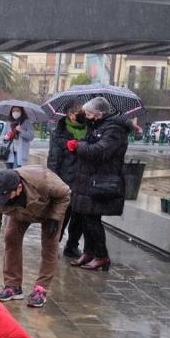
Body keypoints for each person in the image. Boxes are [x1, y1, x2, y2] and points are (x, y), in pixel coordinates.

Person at [0, 167, 71, 307]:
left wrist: (55, 218)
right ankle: (13, 286)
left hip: (50, 210)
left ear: (19, 188)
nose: (2, 201)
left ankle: (41, 288)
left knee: (50, 245)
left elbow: (65, 194)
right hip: (20, 212)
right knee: (10, 237)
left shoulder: (44, 181)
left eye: (6, 197)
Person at [62, 96, 129, 271]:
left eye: (90, 113)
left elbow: (101, 150)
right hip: (89, 179)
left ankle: (102, 256)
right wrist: (79, 143)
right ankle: (89, 252)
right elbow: (91, 143)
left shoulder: (114, 129)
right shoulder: (99, 126)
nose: (87, 116)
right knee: (86, 218)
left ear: (99, 114)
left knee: (92, 219)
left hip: (101, 180)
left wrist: (78, 147)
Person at [46, 102, 88, 259]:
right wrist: (53, 182)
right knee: (62, 216)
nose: (82, 114)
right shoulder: (59, 132)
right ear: (71, 114)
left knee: (79, 217)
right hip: (65, 180)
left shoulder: (89, 130)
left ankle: (72, 246)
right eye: (79, 112)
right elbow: (54, 159)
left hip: (84, 180)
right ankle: (53, 245)